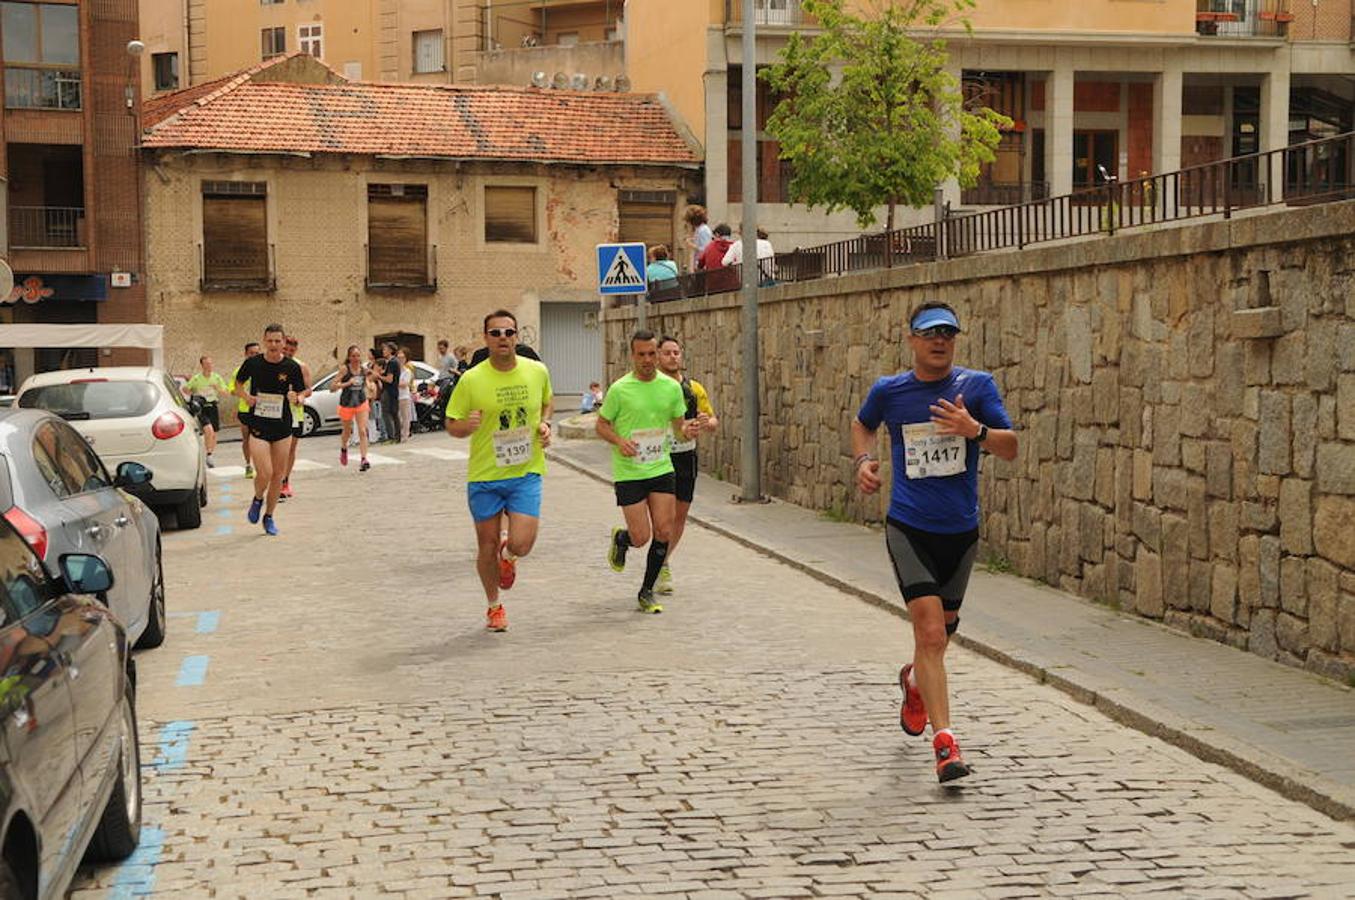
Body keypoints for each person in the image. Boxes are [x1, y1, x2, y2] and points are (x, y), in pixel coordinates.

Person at [850, 301, 1018, 784]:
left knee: (942, 634)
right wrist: (862, 462)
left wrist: (976, 431)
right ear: (912, 340)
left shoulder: (977, 387)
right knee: (929, 633)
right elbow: (864, 424)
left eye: (948, 332)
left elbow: (1010, 447)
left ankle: (915, 682)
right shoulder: (891, 391)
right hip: (909, 526)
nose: (939, 339)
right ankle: (945, 745)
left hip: (961, 531)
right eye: (930, 332)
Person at [445, 310, 554, 632]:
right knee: (486, 546)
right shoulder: (472, 379)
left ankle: (510, 556)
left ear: (517, 336)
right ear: (486, 338)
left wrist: (545, 424)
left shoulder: (537, 371)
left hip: (526, 471)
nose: (503, 338)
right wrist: (467, 426)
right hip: (485, 476)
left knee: (521, 543)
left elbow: (547, 402)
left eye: (509, 332)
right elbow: (452, 423)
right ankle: (494, 606)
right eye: (496, 333)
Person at [597, 330, 699, 614]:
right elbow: (601, 425)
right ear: (632, 356)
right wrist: (619, 441)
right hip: (629, 470)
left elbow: (678, 428)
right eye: (641, 354)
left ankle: (646, 591)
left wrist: (687, 430)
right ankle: (623, 539)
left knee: (664, 530)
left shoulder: (670, 388)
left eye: (651, 354)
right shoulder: (620, 389)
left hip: (661, 466)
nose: (647, 360)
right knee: (641, 536)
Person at [654, 336, 718, 595]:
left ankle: (663, 561)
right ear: (658, 356)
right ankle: (656, 559)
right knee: (662, 518)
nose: (672, 357)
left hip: (685, 457)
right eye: (667, 352)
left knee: (679, 515)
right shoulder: (652, 387)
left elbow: (712, 421)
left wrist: (705, 423)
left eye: (676, 352)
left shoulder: (693, 389)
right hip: (658, 457)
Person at [233, 324, 306, 536]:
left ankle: (269, 516)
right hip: (259, 425)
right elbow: (237, 385)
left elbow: (301, 393)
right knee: (264, 472)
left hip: (283, 426)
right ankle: (257, 499)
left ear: (283, 343)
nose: (274, 345)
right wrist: (246, 397)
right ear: (264, 341)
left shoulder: (291, 367)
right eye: (270, 341)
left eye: (278, 341)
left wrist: (297, 398)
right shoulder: (253, 363)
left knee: (278, 475)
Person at [279, 335, 313, 500]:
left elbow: (308, 390)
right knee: (278, 449)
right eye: (286, 350)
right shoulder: (273, 364)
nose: (288, 353)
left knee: (290, 449)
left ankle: (285, 481)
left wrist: (300, 397)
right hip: (276, 411)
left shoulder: (301, 367)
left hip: (295, 412)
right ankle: (276, 479)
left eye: (291, 351)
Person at [183, 356, 230, 468]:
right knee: (208, 430)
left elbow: (226, 392)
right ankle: (208, 454)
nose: (209, 366)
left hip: (213, 406)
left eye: (210, 363)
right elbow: (185, 389)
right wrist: (193, 393)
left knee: (213, 434)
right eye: (206, 364)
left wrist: (217, 388)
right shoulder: (197, 378)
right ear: (202, 365)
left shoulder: (216, 377)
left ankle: (210, 454)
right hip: (202, 407)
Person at [333, 345, 371, 472]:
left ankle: (364, 459)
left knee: (362, 430)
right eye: (353, 356)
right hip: (347, 403)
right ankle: (344, 447)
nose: (356, 358)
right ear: (349, 357)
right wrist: (347, 383)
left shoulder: (363, 370)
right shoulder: (344, 370)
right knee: (347, 432)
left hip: (361, 402)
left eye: (358, 356)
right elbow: (332, 386)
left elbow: (367, 382)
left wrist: (370, 386)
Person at [230, 341, 261, 478]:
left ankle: (261, 465)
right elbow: (232, 389)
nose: (254, 356)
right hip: (245, 409)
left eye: (256, 353)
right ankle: (248, 465)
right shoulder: (239, 371)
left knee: (261, 439)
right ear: (245, 354)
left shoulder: (263, 369)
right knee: (247, 439)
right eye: (251, 353)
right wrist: (246, 396)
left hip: (262, 409)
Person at [376, 342, 401, 443]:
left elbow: (390, 379)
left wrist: (379, 376)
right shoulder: (393, 362)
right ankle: (397, 436)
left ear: (391, 350)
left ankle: (392, 436)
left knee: (387, 413)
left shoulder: (392, 362)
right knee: (394, 413)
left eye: (385, 349)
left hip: (389, 391)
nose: (383, 351)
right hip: (393, 391)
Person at [684, 204, 713, 270]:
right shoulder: (699, 229)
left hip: (702, 266)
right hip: (699, 264)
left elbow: (705, 249)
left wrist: (691, 245)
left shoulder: (703, 230)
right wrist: (693, 239)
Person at [396, 347, 415, 441]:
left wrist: (395, 383)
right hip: (396, 396)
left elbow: (405, 384)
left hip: (404, 396)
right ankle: (398, 434)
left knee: (405, 416)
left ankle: (405, 435)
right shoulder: (395, 371)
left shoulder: (408, 371)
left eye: (402, 358)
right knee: (398, 417)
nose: (400, 360)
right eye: (398, 357)